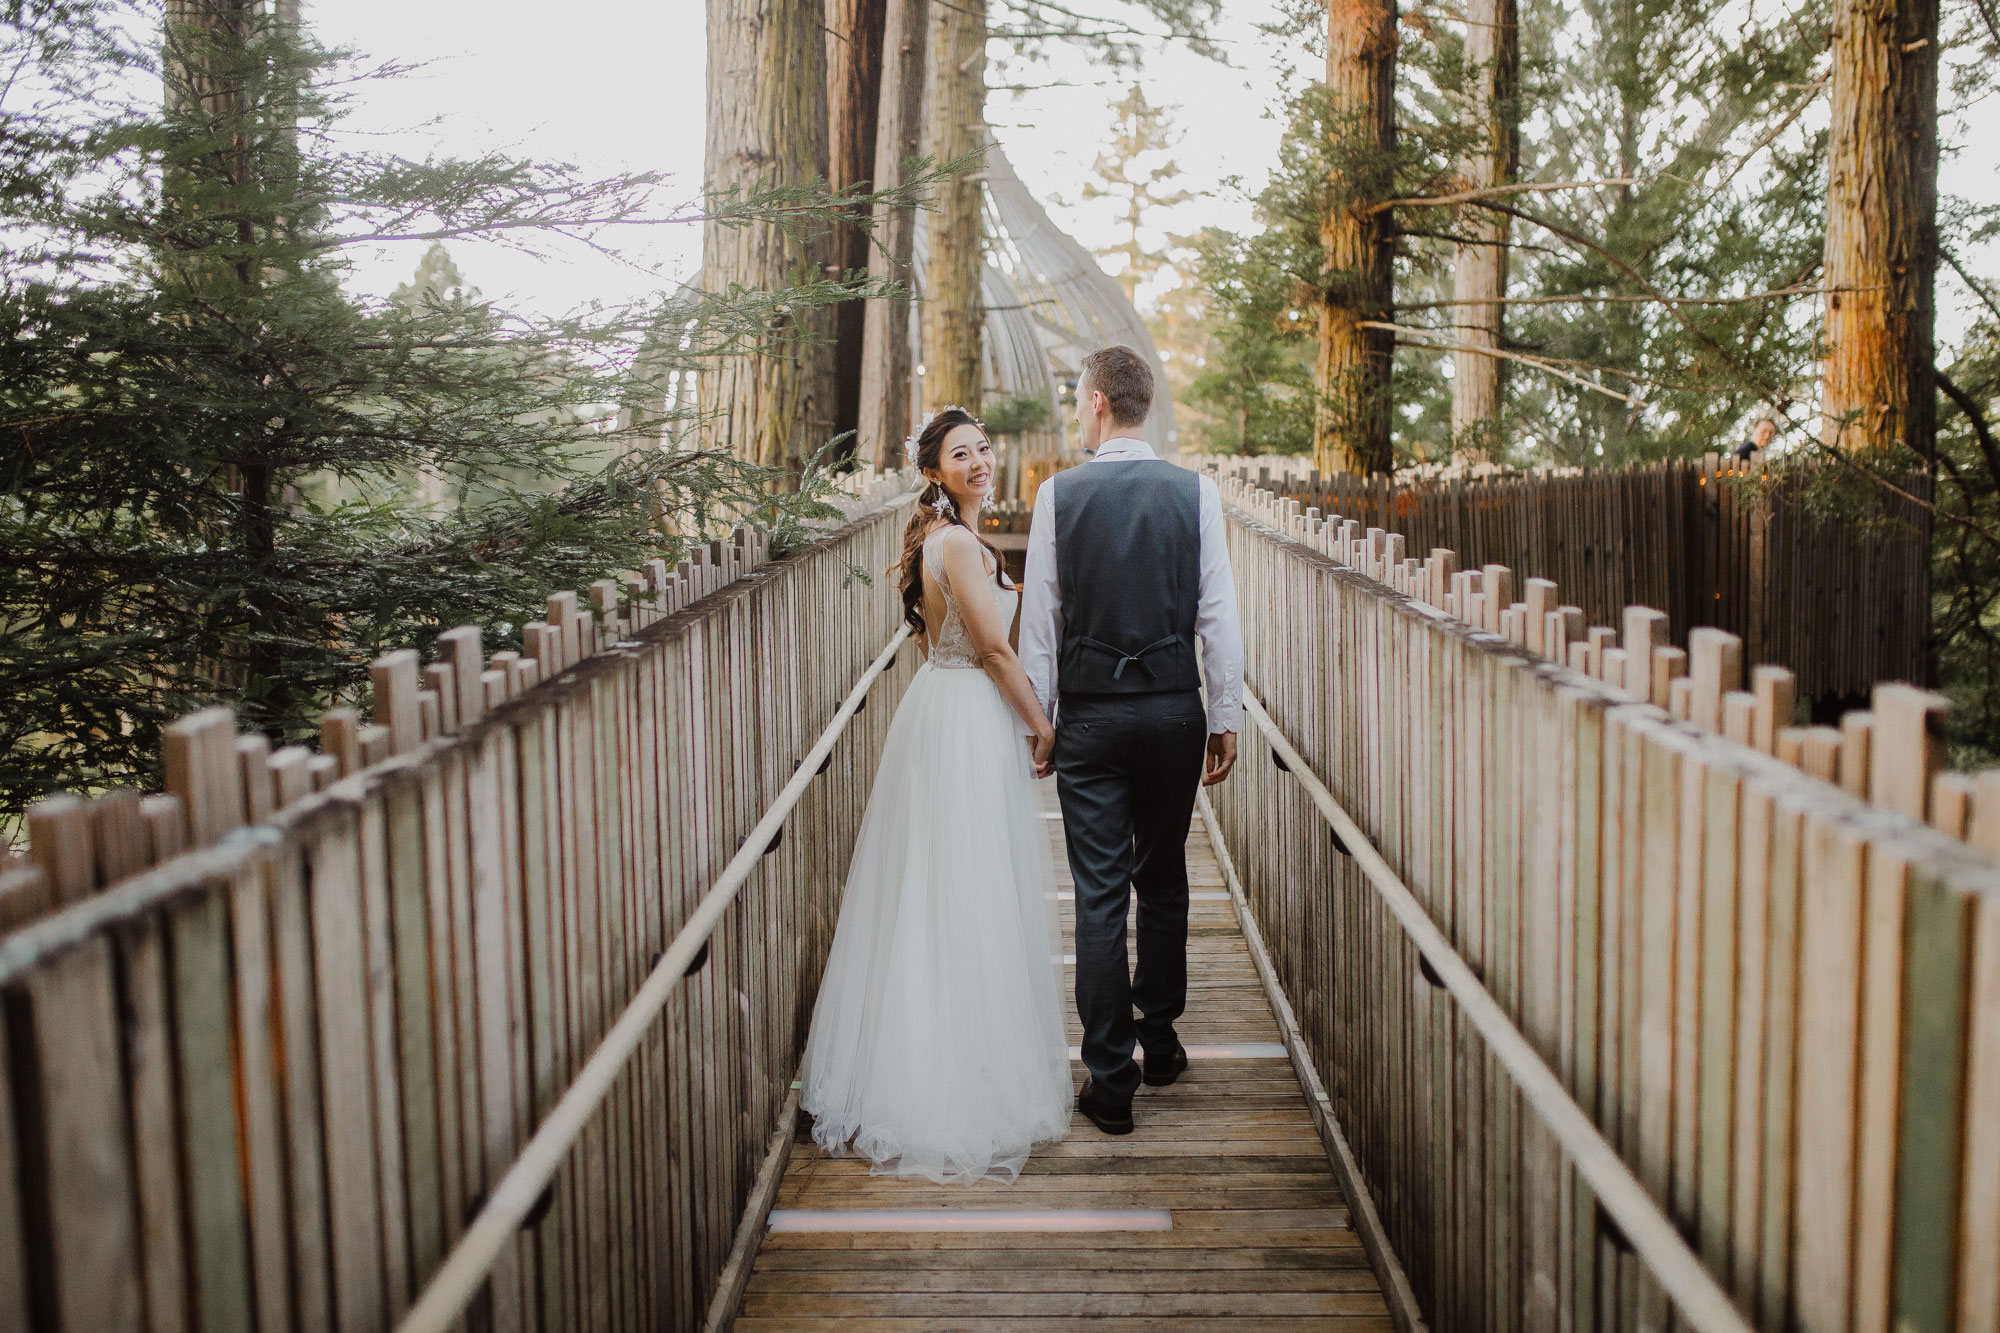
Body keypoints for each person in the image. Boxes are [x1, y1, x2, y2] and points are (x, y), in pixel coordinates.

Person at [797, 407, 1071, 1184]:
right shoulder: (955, 543)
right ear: (933, 472)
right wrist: (1042, 727)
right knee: (959, 892)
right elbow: (990, 649)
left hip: (945, 710)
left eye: (984, 447)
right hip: (962, 720)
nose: (981, 460)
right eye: (962, 453)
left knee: (955, 890)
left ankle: (966, 1058)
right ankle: (945, 1086)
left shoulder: (958, 541)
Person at [1018, 345, 1246, 1136]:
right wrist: (1226, 715)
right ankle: (1161, 1039)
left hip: (1090, 716)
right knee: (1165, 877)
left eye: (1079, 401)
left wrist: (1039, 722)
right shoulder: (1195, 492)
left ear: (1101, 404)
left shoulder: (1059, 496)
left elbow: (1042, 619)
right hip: (1174, 714)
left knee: (1100, 891)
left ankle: (1110, 1080)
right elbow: (1216, 613)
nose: (1078, 412)